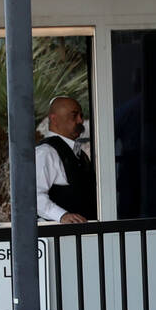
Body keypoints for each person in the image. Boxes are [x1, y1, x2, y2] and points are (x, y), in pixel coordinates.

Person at [36, 96, 96, 224]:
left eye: (81, 115)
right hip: (61, 237)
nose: (80, 120)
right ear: (54, 119)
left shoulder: (80, 153)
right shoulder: (45, 153)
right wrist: (62, 216)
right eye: (74, 116)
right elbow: (33, 197)